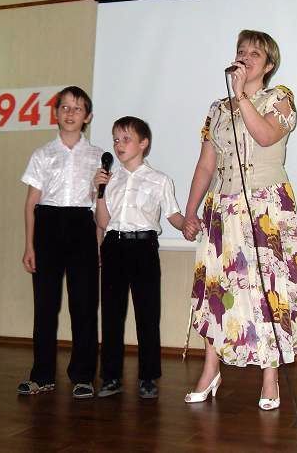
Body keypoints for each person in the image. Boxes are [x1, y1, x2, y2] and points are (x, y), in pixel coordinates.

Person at [182, 30, 297, 410]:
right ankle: (210, 369)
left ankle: (270, 376)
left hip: (266, 206)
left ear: (269, 64)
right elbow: (206, 164)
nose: (245, 57)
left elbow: (267, 136)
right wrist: (190, 211)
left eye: (255, 53)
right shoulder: (217, 109)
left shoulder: (280, 98)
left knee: (268, 289)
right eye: (241, 51)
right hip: (223, 207)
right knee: (216, 288)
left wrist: (241, 96)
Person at [18, 86, 102, 399]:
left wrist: (98, 244)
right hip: (48, 226)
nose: (70, 113)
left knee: (84, 305)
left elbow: (99, 205)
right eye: (64, 107)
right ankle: (42, 376)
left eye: (77, 108)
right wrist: (29, 245)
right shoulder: (42, 154)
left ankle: (83, 376)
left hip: (82, 226)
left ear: (87, 117)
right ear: (56, 113)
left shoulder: (98, 156)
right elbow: (31, 204)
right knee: (45, 306)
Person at [94, 116, 185, 399]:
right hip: (113, 246)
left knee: (147, 313)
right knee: (111, 314)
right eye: (115, 140)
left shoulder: (159, 180)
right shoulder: (110, 180)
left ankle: (148, 377)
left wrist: (189, 225)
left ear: (143, 143)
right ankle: (111, 376)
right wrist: (98, 192)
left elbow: (173, 215)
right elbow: (102, 221)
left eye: (126, 139)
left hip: (144, 247)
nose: (119, 145)